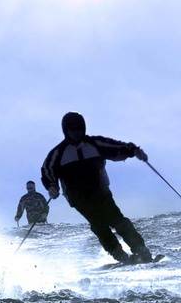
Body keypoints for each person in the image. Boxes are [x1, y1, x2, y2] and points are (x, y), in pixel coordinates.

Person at [41, 112, 152, 263]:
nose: (76, 132)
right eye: (72, 129)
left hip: (101, 191)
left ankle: (140, 250)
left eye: (79, 128)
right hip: (78, 197)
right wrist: (52, 186)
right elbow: (48, 170)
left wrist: (134, 151)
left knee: (117, 220)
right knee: (98, 223)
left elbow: (116, 147)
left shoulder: (95, 144)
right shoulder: (58, 153)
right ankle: (118, 254)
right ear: (66, 131)